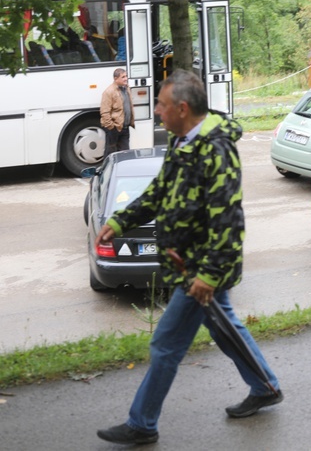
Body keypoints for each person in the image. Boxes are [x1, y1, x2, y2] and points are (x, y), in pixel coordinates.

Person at [95, 70, 282, 445]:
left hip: (202, 268)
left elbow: (227, 219)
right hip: (188, 265)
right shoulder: (183, 141)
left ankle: (142, 423)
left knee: (165, 344)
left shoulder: (216, 148)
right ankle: (265, 385)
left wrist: (209, 276)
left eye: (162, 105)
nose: (158, 111)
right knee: (223, 326)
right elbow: (159, 191)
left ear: (182, 108)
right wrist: (120, 221)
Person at [100, 68, 135, 156]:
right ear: (116, 79)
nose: (126, 78)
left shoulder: (126, 89)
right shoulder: (109, 92)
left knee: (125, 154)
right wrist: (112, 127)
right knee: (110, 154)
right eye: (123, 77)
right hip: (114, 128)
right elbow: (104, 112)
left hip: (125, 128)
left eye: (126, 76)